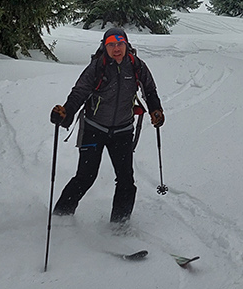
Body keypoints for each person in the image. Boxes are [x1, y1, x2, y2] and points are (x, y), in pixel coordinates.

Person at [50, 27, 164, 224]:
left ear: (126, 45)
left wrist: (156, 110)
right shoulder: (97, 67)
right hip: (94, 129)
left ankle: (119, 226)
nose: (116, 48)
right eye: (111, 44)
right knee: (85, 177)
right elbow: (79, 92)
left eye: (120, 44)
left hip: (123, 131)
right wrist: (65, 113)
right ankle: (61, 216)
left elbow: (150, 90)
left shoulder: (136, 66)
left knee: (126, 181)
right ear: (105, 46)